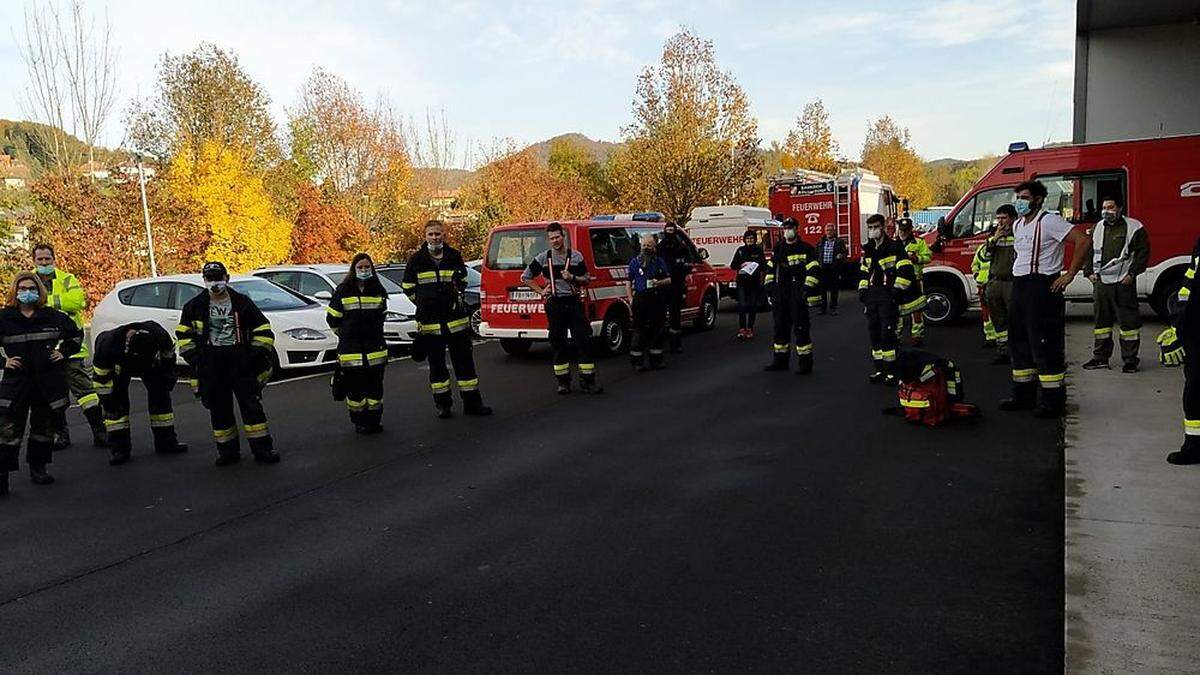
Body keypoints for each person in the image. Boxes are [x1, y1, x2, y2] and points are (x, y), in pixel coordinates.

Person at [1000, 180, 1092, 417]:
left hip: (1041, 287)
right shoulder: (1019, 224)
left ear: (1038, 199)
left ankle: (1052, 401)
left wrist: (1069, 275)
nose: (1020, 202)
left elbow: (1083, 241)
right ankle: (1023, 395)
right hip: (1020, 286)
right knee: (1019, 342)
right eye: (1018, 198)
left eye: (1025, 198)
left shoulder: (1050, 221)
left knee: (1044, 343)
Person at [176, 262, 280, 466]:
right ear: (204, 281)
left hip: (240, 361)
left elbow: (263, 330)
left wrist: (253, 357)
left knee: (252, 408)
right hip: (212, 364)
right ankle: (227, 452)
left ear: (227, 278)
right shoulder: (194, 307)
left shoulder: (243, 303)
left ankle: (263, 450)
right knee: (219, 410)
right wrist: (198, 360)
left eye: (218, 278)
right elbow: (183, 336)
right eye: (210, 279)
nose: (215, 283)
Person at [0, 273, 82, 494]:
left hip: (47, 383)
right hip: (15, 383)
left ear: (39, 291)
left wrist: (63, 352)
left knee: (43, 428)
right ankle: (2, 476)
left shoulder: (52, 316)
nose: (27, 292)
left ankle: (39, 468)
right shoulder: (4, 318)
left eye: (31, 287)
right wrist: (3, 361)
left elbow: (76, 335)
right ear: (15, 291)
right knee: (7, 431)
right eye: (23, 287)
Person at [403, 221, 492, 418]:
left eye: (438, 234)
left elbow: (463, 281)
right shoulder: (416, 260)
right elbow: (408, 287)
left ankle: (473, 404)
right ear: (425, 236)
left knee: (465, 366)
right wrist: (424, 303)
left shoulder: (454, 256)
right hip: (430, 324)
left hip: (456, 322)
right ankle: (443, 405)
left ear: (444, 235)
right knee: (437, 369)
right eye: (431, 234)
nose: (435, 238)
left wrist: (454, 296)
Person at [32, 244, 106, 449]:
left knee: (86, 392)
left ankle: (100, 432)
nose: (44, 263)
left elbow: (77, 301)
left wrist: (45, 301)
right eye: (40, 260)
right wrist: (57, 302)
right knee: (53, 396)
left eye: (47, 259)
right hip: (44, 351)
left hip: (70, 347)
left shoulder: (67, 279)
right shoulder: (28, 281)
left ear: (54, 259)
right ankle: (61, 434)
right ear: (34, 261)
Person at [522, 222, 602, 395]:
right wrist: (542, 291)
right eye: (551, 238)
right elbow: (526, 277)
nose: (555, 241)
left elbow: (587, 279)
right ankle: (563, 382)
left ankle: (588, 381)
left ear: (563, 237)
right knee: (557, 343)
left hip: (573, 303)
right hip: (555, 304)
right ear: (548, 240)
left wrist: (572, 277)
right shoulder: (543, 258)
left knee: (583, 341)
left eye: (557, 237)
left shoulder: (576, 257)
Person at [92, 322, 188, 465]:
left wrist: (167, 382)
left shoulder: (159, 335)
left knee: (161, 398)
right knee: (116, 405)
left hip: (151, 365)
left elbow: (169, 359)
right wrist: (107, 400)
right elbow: (101, 378)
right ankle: (119, 449)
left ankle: (166, 442)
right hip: (120, 365)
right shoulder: (107, 345)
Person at [1082, 196, 1150, 373]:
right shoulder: (1097, 227)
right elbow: (1089, 250)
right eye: (1104, 207)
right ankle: (1100, 358)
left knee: (1128, 324)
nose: (1106, 211)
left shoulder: (1134, 227)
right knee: (1101, 324)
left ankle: (1130, 360)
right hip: (1101, 284)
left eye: (1110, 207)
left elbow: (1143, 252)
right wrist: (1088, 272)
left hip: (1123, 284)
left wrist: (1132, 274)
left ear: (1120, 208)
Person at [327, 253, 390, 431]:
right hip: (351, 350)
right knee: (355, 390)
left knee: (375, 390)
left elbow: (382, 318)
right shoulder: (343, 290)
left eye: (367, 267)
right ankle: (359, 421)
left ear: (372, 269)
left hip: (375, 349)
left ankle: (374, 420)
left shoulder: (378, 290)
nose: (364, 270)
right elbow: (332, 319)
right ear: (354, 270)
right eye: (360, 267)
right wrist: (346, 335)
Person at [859, 214, 915, 385]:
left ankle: (892, 372)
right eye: (870, 228)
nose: (873, 230)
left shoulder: (894, 247)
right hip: (872, 297)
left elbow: (905, 271)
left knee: (887, 334)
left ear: (883, 227)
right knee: (874, 334)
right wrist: (862, 290)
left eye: (875, 227)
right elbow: (864, 272)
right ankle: (880, 369)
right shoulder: (868, 249)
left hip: (887, 295)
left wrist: (896, 292)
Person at [1158, 236, 1199, 464]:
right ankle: (1194, 446)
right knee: (1194, 391)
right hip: (1194, 330)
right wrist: (1178, 327)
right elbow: (1188, 288)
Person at [763, 218, 820, 374]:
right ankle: (780, 360)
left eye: (790, 228)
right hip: (780, 294)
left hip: (798, 294)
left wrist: (805, 290)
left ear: (797, 228)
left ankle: (805, 363)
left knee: (801, 328)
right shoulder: (779, 248)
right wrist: (769, 288)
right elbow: (770, 269)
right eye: (785, 228)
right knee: (780, 327)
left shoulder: (806, 249)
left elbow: (814, 271)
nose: (787, 231)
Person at [626, 235, 671, 371]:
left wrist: (659, 282)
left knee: (657, 329)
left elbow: (669, 279)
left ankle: (656, 360)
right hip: (640, 298)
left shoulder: (659, 262)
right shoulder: (634, 262)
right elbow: (628, 281)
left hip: (656, 298)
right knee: (638, 330)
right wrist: (630, 299)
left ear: (654, 247)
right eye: (644, 245)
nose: (646, 248)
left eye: (649, 246)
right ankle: (637, 362)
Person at [984, 205, 1018, 365]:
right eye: (998, 218)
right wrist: (995, 238)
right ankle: (1002, 350)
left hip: (1012, 282)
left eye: (1003, 218)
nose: (1000, 222)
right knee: (998, 319)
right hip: (995, 282)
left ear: (1012, 218)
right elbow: (985, 255)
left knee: (1015, 318)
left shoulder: (1019, 233)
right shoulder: (993, 235)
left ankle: (1018, 351)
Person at [894, 218, 931, 346]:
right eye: (901, 230)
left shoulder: (919, 242)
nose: (902, 233)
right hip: (897, 282)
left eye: (905, 230)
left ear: (910, 230)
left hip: (915, 280)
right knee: (896, 310)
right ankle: (896, 336)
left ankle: (917, 335)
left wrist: (917, 258)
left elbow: (928, 257)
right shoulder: (893, 244)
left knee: (916, 309)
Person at [657, 220, 692, 354]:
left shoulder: (681, 247)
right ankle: (660, 343)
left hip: (677, 285)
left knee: (675, 317)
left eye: (672, 231)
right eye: (668, 231)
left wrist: (685, 270)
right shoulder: (660, 247)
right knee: (660, 316)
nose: (670, 233)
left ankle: (675, 344)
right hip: (663, 284)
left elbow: (688, 263)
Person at [730, 230, 767, 339]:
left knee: (752, 306)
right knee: (742, 305)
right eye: (747, 239)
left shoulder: (758, 250)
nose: (749, 241)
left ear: (755, 239)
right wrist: (742, 265)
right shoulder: (740, 251)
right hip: (742, 282)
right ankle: (742, 329)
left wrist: (755, 265)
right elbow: (733, 265)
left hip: (754, 282)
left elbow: (764, 266)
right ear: (744, 240)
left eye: (751, 239)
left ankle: (750, 328)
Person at [970, 228, 997, 348]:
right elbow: (975, 264)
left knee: (998, 312)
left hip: (996, 284)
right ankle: (990, 337)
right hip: (983, 285)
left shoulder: (1003, 248)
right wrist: (977, 276)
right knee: (986, 313)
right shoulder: (982, 248)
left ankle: (1000, 338)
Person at [815, 223, 848, 315]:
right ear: (825, 232)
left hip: (834, 268)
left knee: (834, 289)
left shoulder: (839, 242)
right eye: (827, 230)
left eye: (830, 230)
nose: (829, 232)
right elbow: (816, 254)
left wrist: (841, 256)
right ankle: (822, 308)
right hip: (823, 268)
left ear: (834, 231)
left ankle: (833, 308)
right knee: (822, 289)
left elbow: (845, 253)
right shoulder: (820, 242)